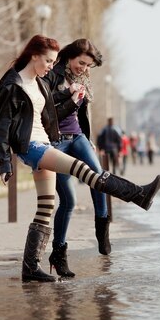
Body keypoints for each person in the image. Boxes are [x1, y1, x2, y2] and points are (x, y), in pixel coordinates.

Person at [0, 35, 160, 283]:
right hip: (31, 147)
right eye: (49, 60)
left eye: (54, 61)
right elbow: (2, 125)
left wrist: (71, 96)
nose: (52, 65)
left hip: (45, 142)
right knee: (83, 170)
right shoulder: (12, 84)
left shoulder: (38, 83)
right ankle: (138, 194)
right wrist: (4, 161)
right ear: (34, 56)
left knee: (47, 206)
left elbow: (51, 107)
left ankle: (30, 268)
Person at [41, 38, 111, 278]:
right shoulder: (52, 74)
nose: (84, 68)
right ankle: (58, 254)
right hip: (56, 142)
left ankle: (102, 226)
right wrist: (69, 97)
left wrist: (88, 137)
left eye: (88, 65)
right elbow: (45, 110)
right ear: (70, 56)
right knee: (68, 201)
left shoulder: (83, 78)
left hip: (78, 137)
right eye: (81, 63)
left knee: (99, 177)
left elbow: (82, 113)